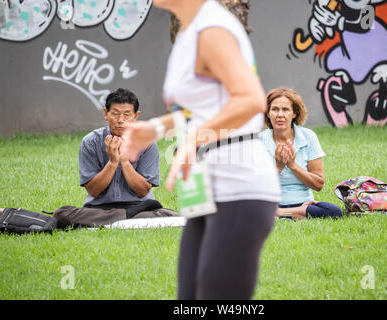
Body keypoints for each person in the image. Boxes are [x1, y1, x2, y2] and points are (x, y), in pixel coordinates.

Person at [120, 0, 280, 300]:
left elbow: (250, 100)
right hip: (207, 188)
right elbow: (204, 110)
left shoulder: (213, 29)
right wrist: (154, 128)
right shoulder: (188, 32)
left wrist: (193, 139)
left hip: (239, 187)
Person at [53, 88, 177, 229]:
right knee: (62, 214)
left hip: (140, 207)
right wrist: (112, 162)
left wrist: (124, 161)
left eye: (126, 115)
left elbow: (142, 191)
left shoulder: (147, 143)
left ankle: (118, 219)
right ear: (106, 113)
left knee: (165, 214)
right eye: (115, 114)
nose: (120, 120)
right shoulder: (90, 141)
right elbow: (93, 191)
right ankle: (125, 219)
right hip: (100, 209)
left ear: (136, 116)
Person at [259, 87, 342, 220]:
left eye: (285, 110)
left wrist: (293, 166)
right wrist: (278, 167)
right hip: (270, 203)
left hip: (302, 204)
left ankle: (279, 214)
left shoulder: (308, 136)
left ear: (294, 113)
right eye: (275, 109)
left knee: (334, 211)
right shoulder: (260, 140)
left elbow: (318, 184)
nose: (280, 114)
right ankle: (291, 214)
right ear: (268, 113)